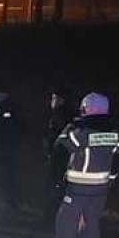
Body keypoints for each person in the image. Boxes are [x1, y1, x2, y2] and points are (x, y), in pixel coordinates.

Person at [46, 92, 119, 238]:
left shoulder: (79, 132)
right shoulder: (115, 133)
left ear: (86, 109)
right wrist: (111, 180)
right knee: (91, 222)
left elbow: (59, 148)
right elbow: (116, 161)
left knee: (66, 220)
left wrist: (70, 126)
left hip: (77, 187)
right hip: (101, 188)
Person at [42, 88, 77, 222]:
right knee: (60, 185)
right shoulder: (67, 115)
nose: (52, 101)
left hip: (58, 156)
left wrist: (50, 151)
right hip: (62, 155)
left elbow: (54, 136)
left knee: (55, 185)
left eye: (54, 98)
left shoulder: (59, 115)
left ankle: (51, 215)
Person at [0, 90, 23, 214]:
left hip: (5, 150)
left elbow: (6, 129)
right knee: (2, 178)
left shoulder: (6, 109)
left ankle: (7, 205)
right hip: (2, 149)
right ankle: (3, 204)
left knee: (5, 178)